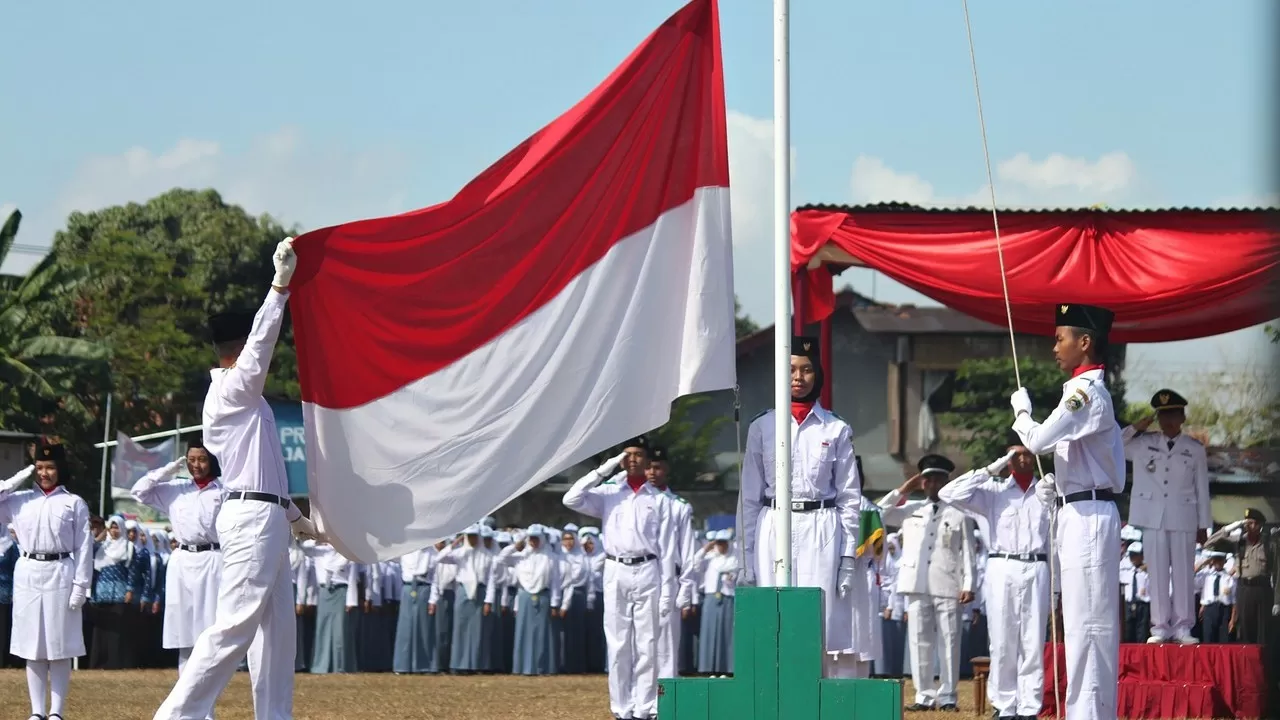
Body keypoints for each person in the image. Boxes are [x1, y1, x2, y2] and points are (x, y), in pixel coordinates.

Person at [154, 237, 322, 720]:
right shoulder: (231, 390)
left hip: (265, 511)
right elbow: (262, 348)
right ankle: (175, 716)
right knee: (234, 628)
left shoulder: (249, 400)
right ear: (239, 348)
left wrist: (295, 517)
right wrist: (279, 288)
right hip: (250, 516)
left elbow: (262, 472)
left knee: (276, 637)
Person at [1011, 302, 1125, 720]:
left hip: (1091, 516)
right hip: (1078, 512)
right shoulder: (1078, 391)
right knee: (1078, 627)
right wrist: (1056, 490)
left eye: (1061, 338)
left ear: (1085, 341)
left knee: (1090, 629)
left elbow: (1038, 440)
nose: (1055, 346)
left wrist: (1021, 412)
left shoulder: (1085, 393)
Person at [739, 335, 863, 678]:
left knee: (817, 620)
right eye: (791, 369)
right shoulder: (762, 426)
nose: (798, 376)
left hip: (821, 525)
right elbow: (748, 496)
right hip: (773, 521)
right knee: (772, 616)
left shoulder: (836, 428)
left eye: (807, 369)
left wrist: (847, 558)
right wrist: (745, 557)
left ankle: (812, 699)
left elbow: (849, 496)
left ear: (817, 375)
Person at [563, 437, 678, 720]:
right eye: (628, 454)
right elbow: (571, 497)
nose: (633, 459)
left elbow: (667, 549)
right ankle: (621, 708)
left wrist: (667, 591)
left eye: (639, 454)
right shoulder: (608, 493)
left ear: (647, 460)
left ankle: (645, 707)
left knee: (647, 643)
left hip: (649, 569)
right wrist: (608, 467)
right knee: (617, 643)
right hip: (616, 569)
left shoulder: (659, 499)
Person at [938, 436, 1051, 720]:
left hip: (1037, 565)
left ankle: (1029, 707)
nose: (1022, 458)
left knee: (1032, 640)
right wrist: (992, 468)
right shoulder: (992, 490)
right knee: (1002, 640)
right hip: (1002, 566)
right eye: (1016, 453)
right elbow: (948, 493)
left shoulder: (1047, 490)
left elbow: (1057, 541)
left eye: (1028, 452)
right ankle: (1004, 705)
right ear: (1007, 456)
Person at [0, 442, 93, 720]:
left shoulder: (73, 503)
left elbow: (85, 546)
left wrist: (81, 585)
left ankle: (56, 712)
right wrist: (20, 475)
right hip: (28, 571)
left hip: (61, 571)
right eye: (39, 467)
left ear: (60, 469)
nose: (44, 473)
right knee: (33, 646)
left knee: (59, 645)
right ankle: (37, 711)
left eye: (49, 467)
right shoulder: (19, 500)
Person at [878, 455, 976, 712]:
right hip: (916, 583)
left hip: (947, 582)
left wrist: (970, 584)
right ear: (921, 483)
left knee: (950, 641)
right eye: (928, 479)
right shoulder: (910, 509)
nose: (933, 484)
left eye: (939, 479)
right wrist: (902, 489)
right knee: (919, 641)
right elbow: (880, 512)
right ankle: (924, 695)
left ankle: (948, 697)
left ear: (947, 481)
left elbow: (968, 551)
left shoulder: (959, 512)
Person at [1121, 389, 1210, 644]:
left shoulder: (1194, 449)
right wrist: (1136, 427)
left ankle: (1183, 627)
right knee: (1157, 571)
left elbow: (1202, 488)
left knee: (1183, 572)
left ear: (1182, 417)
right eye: (1163, 415)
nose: (1168, 420)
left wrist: (1203, 525)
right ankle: (1159, 626)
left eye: (1173, 414)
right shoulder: (1142, 443)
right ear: (1157, 418)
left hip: (1184, 515)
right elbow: (1115, 444)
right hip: (1152, 516)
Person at [131, 442, 226, 680]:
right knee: (184, 635)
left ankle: (206, 710)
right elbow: (139, 491)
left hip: (213, 559)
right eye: (191, 459)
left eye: (202, 459)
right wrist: (167, 471)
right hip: (182, 561)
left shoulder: (224, 490)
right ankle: (187, 706)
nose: (196, 465)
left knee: (209, 633)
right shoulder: (175, 489)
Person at [645, 445, 698, 679]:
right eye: (647, 468)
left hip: (668, 579)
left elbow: (689, 551)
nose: (651, 473)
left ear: (665, 469)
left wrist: (687, 589)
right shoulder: (633, 502)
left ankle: (665, 699)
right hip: (640, 574)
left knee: (666, 641)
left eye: (656, 467)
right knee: (642, 641)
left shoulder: (679, 506)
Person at [1205, 508, 1275, 644]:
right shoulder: (1239, 542)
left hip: (1263, 588)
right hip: (1244, 588)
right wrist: (1233, 526)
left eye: (1253, 523)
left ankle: (1263, 660)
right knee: (1245, 628)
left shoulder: (1268, 543)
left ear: (1260, 525)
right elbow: (1209, 544)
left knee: (1263, 629)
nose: (1250, 526)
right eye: (1247, 523)